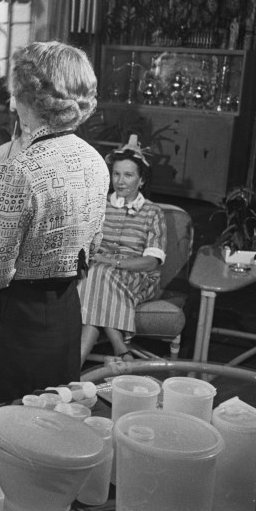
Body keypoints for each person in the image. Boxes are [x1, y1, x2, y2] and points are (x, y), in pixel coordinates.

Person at [0, 41, 109, 409]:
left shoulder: (18, 170)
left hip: (14, 320)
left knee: (0, 427)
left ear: (26, 100)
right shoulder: (96, 162)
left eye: (15, 93)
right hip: (65, 313)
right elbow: (92, 249)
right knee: (52, 423)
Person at [78, 136, 166, 362]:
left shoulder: (153, 212)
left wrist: (114, 262)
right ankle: (121, 351)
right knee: (97, 275)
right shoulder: (100, 205)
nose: (121, 181)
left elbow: (151, 262)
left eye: (128, 175)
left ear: (141, 180)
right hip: (99, 275)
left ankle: (75, 368)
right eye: (116, 174)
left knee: (98, 274)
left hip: (138, 276)